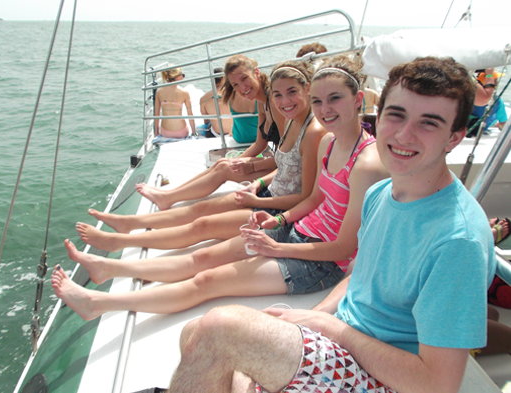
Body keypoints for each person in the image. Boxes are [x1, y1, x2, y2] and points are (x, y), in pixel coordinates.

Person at [164, 57, 497, 393]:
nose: (404, 134)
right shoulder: (381, 193)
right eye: (396, 115)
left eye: (429, 123)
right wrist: (317, 317)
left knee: (218, 331)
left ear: (454, 137)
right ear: (378, 117)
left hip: (385, 379)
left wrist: (329, 328)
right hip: (344, 343)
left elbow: (437, 385)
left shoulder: (458, 241)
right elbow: (360, 274)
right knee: (196, 336)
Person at [51, 56, 388, 319]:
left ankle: (98, 304)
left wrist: (277, 247)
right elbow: (315, 197)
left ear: (358, 99)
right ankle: (109, 267)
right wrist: (278, 222)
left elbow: (344, 249)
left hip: (321, 262)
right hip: (297, 230)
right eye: (318, 101)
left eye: (335, 99)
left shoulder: (366, 163)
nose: (325, 110)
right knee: (204, 255)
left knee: (207, 281)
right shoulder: (331, 142)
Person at [76, 61, 326, 252]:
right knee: (204, 204)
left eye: (244, 79)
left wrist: (253, 177)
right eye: (235, 84)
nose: (283, 100)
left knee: (202, 224)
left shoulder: (302, 124)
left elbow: (301, 187)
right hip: (269, 192)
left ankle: (122, 238)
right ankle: (133, 222)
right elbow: (275, 154)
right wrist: (256, 180)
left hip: (277, 207)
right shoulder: (281, 114)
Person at [135, 54, 286, 210]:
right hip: (278, 162)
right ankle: (170, 194)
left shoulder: (274, 103)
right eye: (235, 85)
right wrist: (237, 161)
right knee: (223, 163)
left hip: (283, 171)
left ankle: (167, 198)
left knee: (224, 169)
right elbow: (260, 143)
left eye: (244, 79)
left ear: (256, 72)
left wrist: (251, 167)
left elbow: (288, 159)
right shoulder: (263, 102)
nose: (242, 88)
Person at [154, 67, 196, 138]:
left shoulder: (159, 91)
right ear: (177, 77)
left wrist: (156, 133)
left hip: (165, 132)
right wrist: (194, 132)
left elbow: (156, 115)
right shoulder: (184, 92)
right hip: (181, 131)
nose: (183, 77)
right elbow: (190, 115)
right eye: (183, 75)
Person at [467, 68, 507, 137]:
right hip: (482, 128)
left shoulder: (467, 97)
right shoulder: (498, 101)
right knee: (494, 118)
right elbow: (503, 123)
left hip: (467, 126)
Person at [197, 67, 233, 138]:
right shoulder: (233, 94)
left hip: (215, 133)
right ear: (223, 78)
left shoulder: (204, 98)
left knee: (198, 128)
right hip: (232, 131)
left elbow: (206, 120)